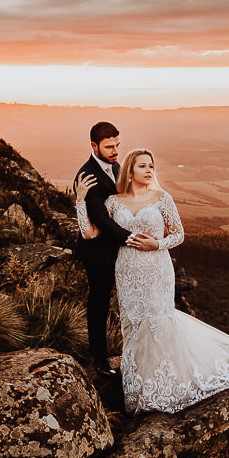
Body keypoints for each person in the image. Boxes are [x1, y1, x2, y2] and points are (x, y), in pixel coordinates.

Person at [74, 148, 229, 415]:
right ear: (130, 171)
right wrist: (81, 200)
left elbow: (179, 234)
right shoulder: (113, 202)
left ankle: (166, 382)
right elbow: (89, 234)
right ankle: (141, 388)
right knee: (134, 325)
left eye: (152, 166)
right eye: (143, 166)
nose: (149, 170)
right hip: (128, 272)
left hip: (157, 268)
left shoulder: (162, 198)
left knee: (159, 321)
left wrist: (157, 244)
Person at [72, 122, 158, 376]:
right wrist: (134, 239)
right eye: (109, 146)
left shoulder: (116, 166)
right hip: (98, 254)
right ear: (93, 146)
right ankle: (99, 360)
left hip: (119, 251)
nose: (115, 151)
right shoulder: (86, 176)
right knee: (99, 304)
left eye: (117, 145)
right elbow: (102, 221)